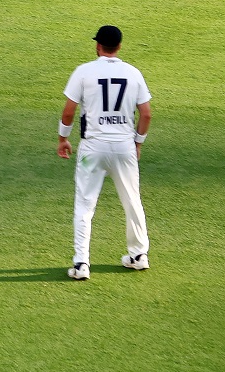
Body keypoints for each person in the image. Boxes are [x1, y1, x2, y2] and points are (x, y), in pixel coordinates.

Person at [57, 25, 153, 280]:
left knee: (85, 204)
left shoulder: (83, 72)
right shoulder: (133, 73)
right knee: (132, 200)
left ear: (98, 46)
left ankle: (81, 264)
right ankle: (138, 255)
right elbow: (146, 114)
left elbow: (68, 112)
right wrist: (138, 143)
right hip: (124, 148)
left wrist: (63, 139)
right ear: (119, 46)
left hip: (92, 149)